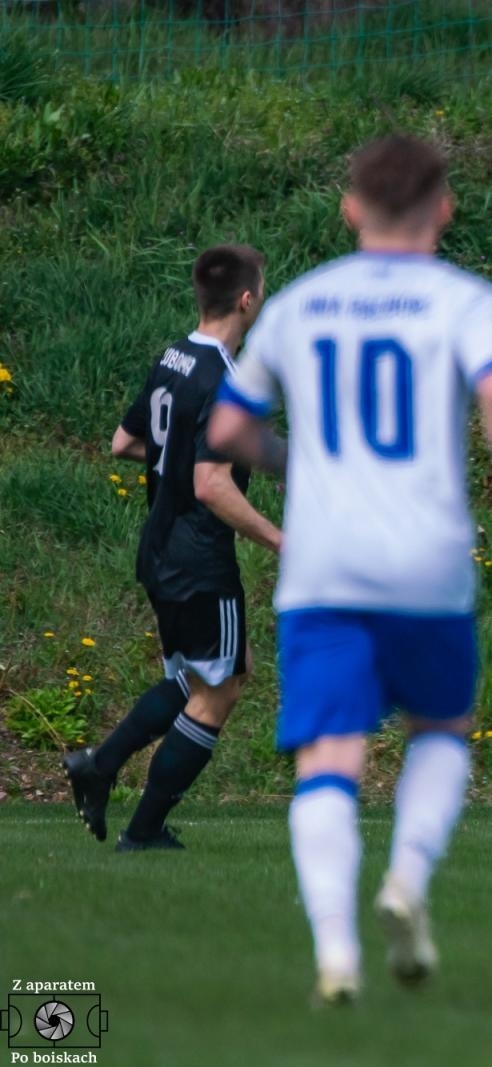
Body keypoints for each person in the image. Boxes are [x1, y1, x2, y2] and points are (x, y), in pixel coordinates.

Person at [207, 135, 492, 1006]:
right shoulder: (467, 299)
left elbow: (226, 433)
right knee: (442, 725)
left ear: (350, 209)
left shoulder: (300, 304)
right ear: (444, 208)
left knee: (329, 753)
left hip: (324, 564)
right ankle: (405, 879)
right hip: (427, 559)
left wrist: (309, 464)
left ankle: (335, 949)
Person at [64, 244, 281, 852]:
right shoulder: (227, 379)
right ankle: (143, 827)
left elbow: (123, 442)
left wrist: (184, 462)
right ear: (247, 300)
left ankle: (98, 767)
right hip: (200, 557)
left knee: (195, 680)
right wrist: (279, 539)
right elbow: (211, 486)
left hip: (159, 548)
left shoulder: (174, 357)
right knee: (225, 686)